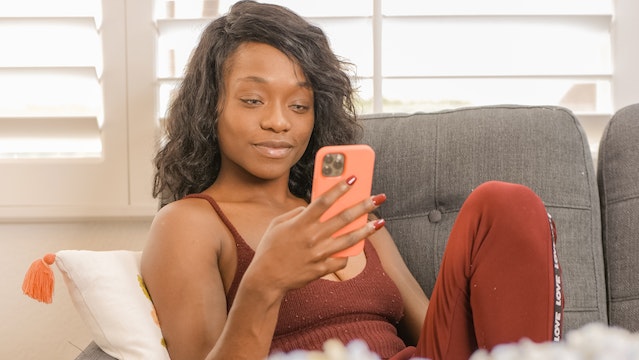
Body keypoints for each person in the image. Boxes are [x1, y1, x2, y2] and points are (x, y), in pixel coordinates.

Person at [141, 1, 564, 359]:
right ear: (209, 106)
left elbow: (436, 331)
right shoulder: (188, 224)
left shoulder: (347, 206)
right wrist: (264, 281)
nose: (278, 122)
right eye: (253, 100)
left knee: (506, 203)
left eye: (300, 105)